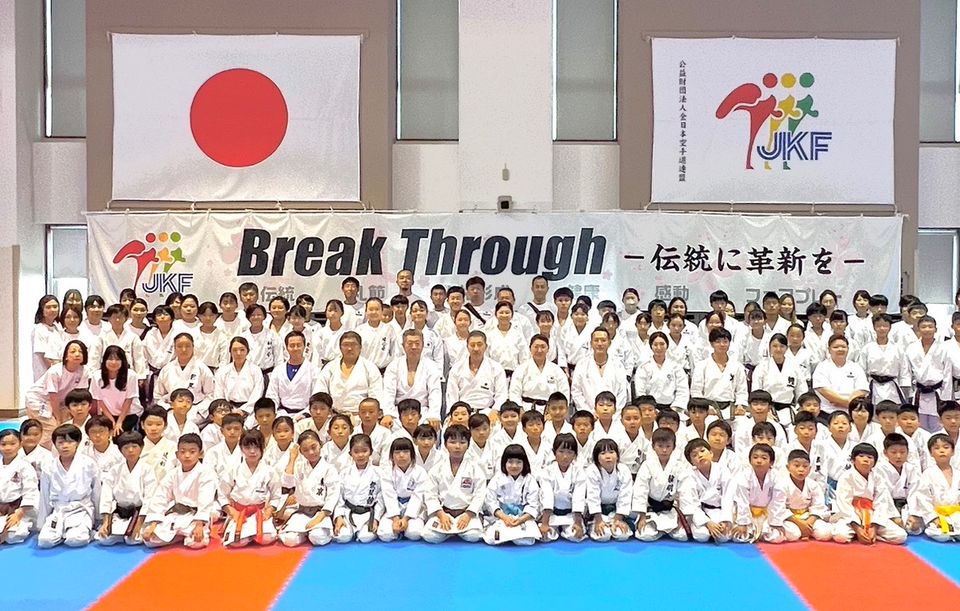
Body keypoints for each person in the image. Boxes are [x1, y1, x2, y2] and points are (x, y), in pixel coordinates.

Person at [37, 424, 100, 548]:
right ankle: (62, 533)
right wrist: (41, 523)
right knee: (45, 541)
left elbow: (97, 492)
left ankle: (83, 532)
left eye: (70, 442)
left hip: (81, 509)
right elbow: (44, 495)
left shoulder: (88, 464)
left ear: (78, 443)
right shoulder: (49, 466)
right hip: (58, 510)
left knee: (76, 539)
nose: (65, 446)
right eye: (60, 442)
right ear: (55, 444)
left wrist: (99, 519)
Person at [421, 424, 487, 543]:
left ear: (468, 445)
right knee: (429, 536)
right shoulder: (437, 468)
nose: (457, 446)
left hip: (466, 513)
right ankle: (453, 531)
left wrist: (468, 514)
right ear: (445, 444)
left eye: (462, 442)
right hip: (444, 513)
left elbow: (480, 494)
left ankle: (453, 531)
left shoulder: (475, 468)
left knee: (473, 536)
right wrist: (441, 514)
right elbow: (430, 494)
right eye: (452, 442)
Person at [831, 443, 907, 545]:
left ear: (875, 463)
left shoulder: (878, 478)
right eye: (861, 456)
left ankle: (870, 534)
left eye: (870, 457)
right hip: (851, 515)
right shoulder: (846, 477)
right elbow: (844, 504)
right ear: (853, 460)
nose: (865, 460)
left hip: (872, 514)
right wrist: (857, 529)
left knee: (901, 536)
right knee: (840, 536)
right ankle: (858, 533)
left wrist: (874, 527)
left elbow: (881, 503)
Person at [278, 430, 341, 547]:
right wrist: (292, 458)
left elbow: (333, 495)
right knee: (289, 540)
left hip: (320, 512)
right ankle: (303, 533)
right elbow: (287, 484)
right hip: (302, 512)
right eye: (305, 450)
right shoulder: (299, 466)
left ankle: (310, 533)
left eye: (314, 447)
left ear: (320, 444)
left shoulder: (329, 469)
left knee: (318, 538)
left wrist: (319, 518)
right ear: (300, 451)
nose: (311, 452)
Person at [219, 430, 281, 547]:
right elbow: (222, 494)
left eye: (256, 447)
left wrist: (269, 510)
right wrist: (231, 511)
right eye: (247, 447)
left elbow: (276, 495)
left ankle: (251, 535)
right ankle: (248, 535)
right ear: (241, 448)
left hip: (260, 512)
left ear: (262, 448)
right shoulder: (233, 470)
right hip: (239, 512)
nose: (252, 451)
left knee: (267, 539)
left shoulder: (269, 471)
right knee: (237, 543)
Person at [24, 340, 91, 448]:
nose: (77, 354)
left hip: (61, 402)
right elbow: (53, 397)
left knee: (68, 425)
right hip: (39, 400)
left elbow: (78, 395)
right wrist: (58, 418)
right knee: (52, 428)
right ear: (66, 356)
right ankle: (43, 453)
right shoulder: (55, 371)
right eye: (73, 351)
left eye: (80, 352)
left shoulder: (84, 370)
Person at [96, 431, 156, 546]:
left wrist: (139, 525)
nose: (130, 450)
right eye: (126, 447)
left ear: (141, 448)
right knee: (104, 540)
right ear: (120, 450)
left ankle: (130, 531)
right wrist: (105, 522)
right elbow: (106, 496)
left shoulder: (147, 469)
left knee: (133, 540)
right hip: (120, 513)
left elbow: (149, 498)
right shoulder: (115, 470)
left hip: (138, 513)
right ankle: (118, 532)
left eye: (134, 446)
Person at [633, 428, 689, 541]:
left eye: (668, 446)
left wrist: (684, 517)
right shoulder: (647, 465)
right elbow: (640, 490)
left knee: (682, 536)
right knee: (645, 535)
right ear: (653, 446)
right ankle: (661, 529)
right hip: (651, 508)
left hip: (670, 509)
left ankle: (665, 528)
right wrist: (642, 516)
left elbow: (685, 492)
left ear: (674, 447)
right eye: (660, 446)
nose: (664, 450)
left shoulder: (679, 466)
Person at [381, 329, 443, 428]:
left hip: (423, 413)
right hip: (399, 413)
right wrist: (388, 413)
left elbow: (435, 392)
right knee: (387, 425)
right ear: (403, 346)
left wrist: (434, 414)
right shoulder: (394, 366)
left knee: (432, 426)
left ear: (423, 345)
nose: (414, 347)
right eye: (410, 344)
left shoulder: (431, 366)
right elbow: (388, 392)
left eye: (417, 343)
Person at [315, 332, 383, 421]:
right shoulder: (330, 367)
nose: (349, 348)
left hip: (361, 418)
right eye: (345, 345)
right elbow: (320, 393)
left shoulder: (370, 368)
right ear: (340, 348)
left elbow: (376, 395)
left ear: (360, 347)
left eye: (353, 345)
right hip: (334, 417)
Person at [482, 444, 541, 545]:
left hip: (522, 517)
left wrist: (521, 519)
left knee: (525, 541)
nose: (514, 466)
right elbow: (490, 501)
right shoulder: (497, 479)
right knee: (492, 538)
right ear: (504, 463)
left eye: (518, 462)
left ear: (524, 463)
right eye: (510, 462)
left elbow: (533, 504)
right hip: (501, 517)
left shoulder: (530, 480)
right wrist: (504, 517)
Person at [731, 443, 787, 543]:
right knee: (739, 536)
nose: (759, 461)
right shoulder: (743, 476)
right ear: (750, 460)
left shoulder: (777, 477)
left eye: (764, 458)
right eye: (755, 457)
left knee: (779, 536)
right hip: (748, 513)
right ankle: (756, 533)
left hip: (767, 515)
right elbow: (742, 501)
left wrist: (776, 523)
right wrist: (743, 523)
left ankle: (760, 533)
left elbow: (778, 501)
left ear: (771, 462)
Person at [446, 331, 508, 420]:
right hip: (462, 413)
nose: (476, 348)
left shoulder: (496, 367)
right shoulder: (457, 368)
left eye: (479, 344)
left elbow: (502, 393)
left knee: (497, 426)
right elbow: (452, 394)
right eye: (472, 345)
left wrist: (495, 410)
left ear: (486, 346)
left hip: (488, 412)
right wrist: (454, 413)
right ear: (467, 347)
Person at [680, 439, 733, 543]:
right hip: (700, 512)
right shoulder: (688, 475)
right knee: (701, 536)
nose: (700, 455)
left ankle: (718, 528)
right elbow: (690, 503)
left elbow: (728, 496)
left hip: (719, 511)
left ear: (711, 453)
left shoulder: (722, 470)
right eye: (694, 455)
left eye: (702, 451)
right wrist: (707, 522)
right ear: (691, 462)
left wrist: (725, 519)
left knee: (724, 537)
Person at [905, 316, 952, 431]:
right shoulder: (911, 348)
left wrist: (946, 398)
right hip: (919, 392)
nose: (927, 329)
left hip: (938, 392)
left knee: (938, 426)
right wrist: (909, 393)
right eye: (923, 327)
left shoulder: (943, 348)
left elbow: (948, 373)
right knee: (920, 427)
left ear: (936, 329)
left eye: (930, 327)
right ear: (918, 329)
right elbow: (907, 372)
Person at [377, 437, 428, 542]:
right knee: (385, 535)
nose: (401, 455)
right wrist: (395, 518)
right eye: (397, 452)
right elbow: (389, 495)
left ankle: (403, 529)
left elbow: (417, 497)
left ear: (412, 455)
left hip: (414, 510)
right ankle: (398, 531)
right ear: (391, 456)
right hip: (393, 509)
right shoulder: (387, 472)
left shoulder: (420, 472)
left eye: (405, 452)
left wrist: (406, 518)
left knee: (414, 533)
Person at [537, 433, 586, 542]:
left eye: (570, 452)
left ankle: (565, 529)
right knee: (546, 537)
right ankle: (555, 529)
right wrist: (545, 523)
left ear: (575, 455)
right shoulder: (546, 471)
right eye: (561, 451)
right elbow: (547, 496)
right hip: (551, 514)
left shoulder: (579, 472)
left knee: (575, 536)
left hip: (571, 514)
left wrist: (578, 522)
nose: (565, 456)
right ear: (554, 452)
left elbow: (579, 497)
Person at [691, 328, 748, 419]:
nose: (722, 345)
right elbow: (696, 391)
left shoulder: (737, 366)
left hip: (731, 408)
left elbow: (742, 390)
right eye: (718, 342)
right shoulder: (702, 366)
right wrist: (705, 407)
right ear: (711, 344)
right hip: (709, 409)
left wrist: (740, 405)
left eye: (725, 341)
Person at [751, 333, 808, 423]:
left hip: (789, 410)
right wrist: (764, 410)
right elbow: (756, 393)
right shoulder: (761, 367)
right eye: (775, 346)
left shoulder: (794, 367)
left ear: (786, 348)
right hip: (767, 411)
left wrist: (799, 409)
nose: (778, 349)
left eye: (782, 346)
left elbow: (802, 391)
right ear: (769, 347)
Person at [153, 333, 215, 415]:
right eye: (179, 346)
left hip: (195, 411)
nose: (184, 349)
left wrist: (198, 410)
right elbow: (158, 395)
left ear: (193, 347)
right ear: (174, 348)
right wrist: (168, 409)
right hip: (171, 410)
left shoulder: (202, 369)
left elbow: (210, 395)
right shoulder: (166, 369)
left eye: (188, 346)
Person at [571, 328, 629, 414]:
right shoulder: (582, 364)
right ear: (591, 343)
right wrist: (589, 413)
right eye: (596, 340)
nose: (599, 344)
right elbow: (576, 391)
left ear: (609, 343)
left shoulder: (618, 365)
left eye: (603, 340)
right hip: (588, 416)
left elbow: (622, 393)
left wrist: (613, 413)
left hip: (614, 416)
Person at [265, 331, 320, 420]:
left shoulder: (314, 370)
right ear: (286, 347)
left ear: (304, 346)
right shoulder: (278, 370)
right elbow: (272, 395)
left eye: (299, 345)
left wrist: (305, 414)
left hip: (305, 415)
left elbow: (316, 396)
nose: (295, 348)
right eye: (292, 345)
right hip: (281, 414)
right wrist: (274, 411)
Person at [585, 438, 632, 542]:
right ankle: (592, 524)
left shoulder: (624, 470)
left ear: (617, 455)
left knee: (622, 535)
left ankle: (617, 522)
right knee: (603, 536)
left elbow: (625, 495)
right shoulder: (592, 471)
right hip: (598, 512)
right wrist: (598, 520)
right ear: (596, 457)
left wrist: (618, 519)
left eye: (611, 452)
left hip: (616, 510)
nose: (608, 456)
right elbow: (593, 496)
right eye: (603, 453)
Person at [914, 434, 960, 541]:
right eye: (937, 448)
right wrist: (933, 518)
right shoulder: (928, 474)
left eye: (946, 447)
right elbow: (923, 499)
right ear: (931, 453)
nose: (942, 451)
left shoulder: (958, 473)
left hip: (956, 514)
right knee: (938, 533)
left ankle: (954, 532)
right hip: (938, 515)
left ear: (953, 452)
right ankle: (952, 533)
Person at [875, 433, 923, 535]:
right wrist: (894, 516)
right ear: (885, 453)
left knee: (916, 528)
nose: (898, 456)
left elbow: (915, 493)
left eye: (902, 452)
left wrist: (914, 514)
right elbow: (883, 495)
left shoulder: (911, 469)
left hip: (906, 507)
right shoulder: (879, 470)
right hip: (886, 508)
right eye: (893, 452)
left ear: (908, 452)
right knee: (898, 533)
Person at [780, 449, 832, 542]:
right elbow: (780, 508)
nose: (801, 469)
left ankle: (807, 531)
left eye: (805, 466)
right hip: (790, 519)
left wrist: (808, 524)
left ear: (810, 468)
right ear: (788, 467)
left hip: (809, 517)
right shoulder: (782, 485)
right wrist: (800, 524)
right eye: (796, 465)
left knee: (825, 533)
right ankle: (804, 531)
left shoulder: (813, 485)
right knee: (793, 534)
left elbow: (818, 506)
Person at [509, 335, 569, 412]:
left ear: (548, 349)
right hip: (526, 409)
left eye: (543, 347)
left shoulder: (557, 370)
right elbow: (514, 393)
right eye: (536, 347)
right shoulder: (521, 369)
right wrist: (520, 409)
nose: (539, 350)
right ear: (530, 348)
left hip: (551, 411)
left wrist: (556, 411)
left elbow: (564, 392)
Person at [91, 345, 142, 436]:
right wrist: (112, 421)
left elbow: (129, 400)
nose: (113, 362)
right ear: (104, 360)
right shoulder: (97, 376)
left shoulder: (131, 375)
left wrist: (119, 422)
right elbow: (100, 401)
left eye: (117, 359)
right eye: (110, 359)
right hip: (108, 415)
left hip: (129, 414)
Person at [813, 335, 869, 416]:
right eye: (836, 347)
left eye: (843, 347)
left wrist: (847, 403)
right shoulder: (822, 367)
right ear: (829, 350)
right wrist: (845, 402)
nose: (840, 349)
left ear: (848, 349)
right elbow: (823, 390)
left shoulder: (856, 367)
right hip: (827, 412)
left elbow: (862, 390)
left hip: (852, 412)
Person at [0, 430, 39, 544]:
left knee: (13, 535)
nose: (8, 448)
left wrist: (18, 514)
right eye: (3, 444)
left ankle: (23, 524)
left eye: (12, 444)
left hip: (19, 509)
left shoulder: (25, 466)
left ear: (20, 444)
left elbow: (31, 492)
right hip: (1, 508)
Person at [213, 337, 264, 417]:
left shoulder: (255, 370)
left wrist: (244, 410)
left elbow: (257, 394)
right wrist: (229, 410)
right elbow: (219, 394)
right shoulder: (223, 371)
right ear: (230, 352)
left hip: (250, 411)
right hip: (227, 411)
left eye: (242, 350)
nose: (238, 353)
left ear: (247, 351)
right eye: (234, 350)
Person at [356, 298, 401, 372]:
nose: (374, 312)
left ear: (382, 311)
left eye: (377, 309)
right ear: (366, 311)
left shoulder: (389, 329)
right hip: (364, 371)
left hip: (383, 371)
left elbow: (395, 351)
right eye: (371, 309)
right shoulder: (359, 330)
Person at [32, 295, 61, 380]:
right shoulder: (39, 329)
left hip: (58, 373)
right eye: (48, 307)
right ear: (42, 310)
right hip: (45, 374)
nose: (52, 310)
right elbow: (44, 356)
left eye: (55, 307)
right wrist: (56, 369)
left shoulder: (58, 328)